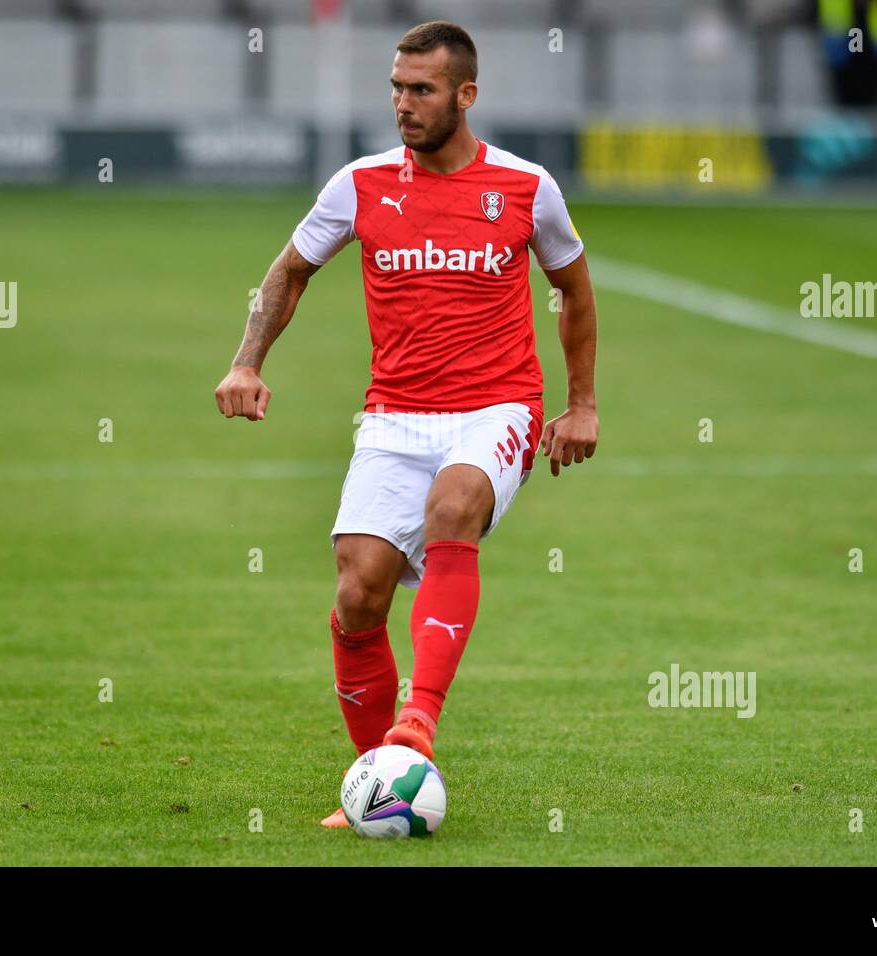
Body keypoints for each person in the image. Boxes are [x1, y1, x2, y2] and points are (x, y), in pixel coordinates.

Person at [214, 20, 599, 828]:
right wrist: (248, 360)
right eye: (396, 87)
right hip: (394, 415)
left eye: (421, 90)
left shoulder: (528, 188)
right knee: (359, 589)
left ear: (465, 95)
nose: (403, 104)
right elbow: (289, 273)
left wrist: (581, 404)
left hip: (498, 406)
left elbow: (574, 290)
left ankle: (417, 718)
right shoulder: (358, 184)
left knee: (454, 508)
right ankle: (374, 781)